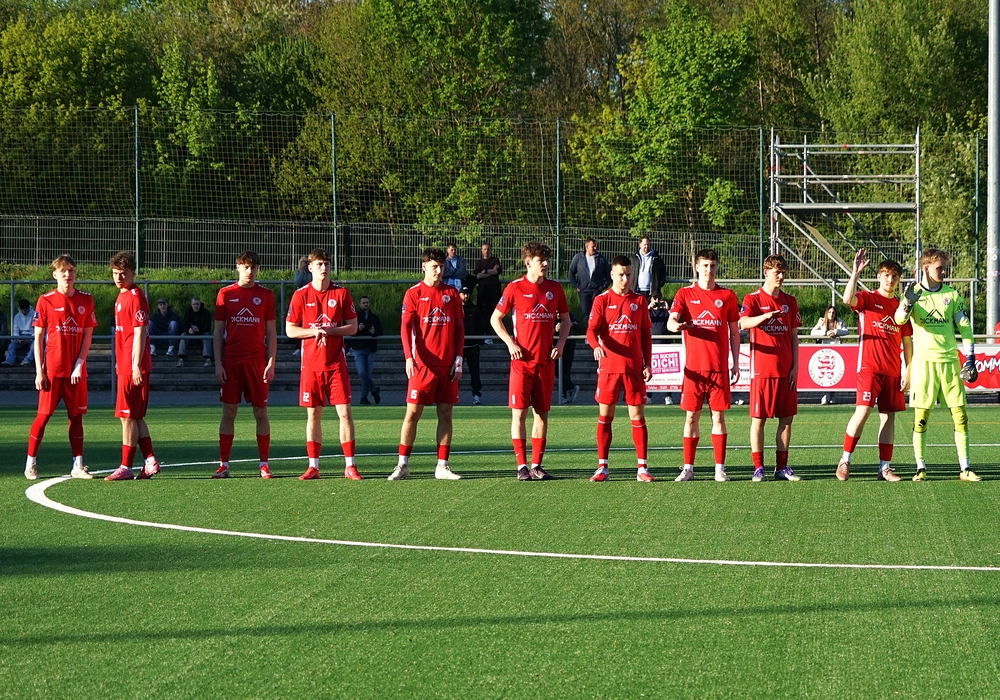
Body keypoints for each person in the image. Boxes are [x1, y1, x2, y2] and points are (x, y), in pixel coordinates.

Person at [894, 247, 980, 481]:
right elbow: (899, 320)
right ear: (926, 268)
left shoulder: (952, 295)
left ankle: (965, 468)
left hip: (950, 363)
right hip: (924, 365)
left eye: (944, 267)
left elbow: (965, 328)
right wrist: (907, 303)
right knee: (921, 418)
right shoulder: (913, 294)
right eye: (939, 268)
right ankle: (920, 468)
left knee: (960, 416)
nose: (944, 271)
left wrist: (970, 358)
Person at [492, 241, 570, 480]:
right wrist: (510, 343)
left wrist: (560, 343)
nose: (545, 264)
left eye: (546, 260)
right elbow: (496, 319)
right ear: (528, 263)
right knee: (519, 414)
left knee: (542, 414)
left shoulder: (555, 289)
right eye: (540, 260)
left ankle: (536, 465)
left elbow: (565, 320)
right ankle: (521, 466)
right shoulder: (514, 288)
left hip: (545, 363)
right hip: (522, 364)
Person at [286, 248, 363, 480]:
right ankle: (313, 466)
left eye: (327, 263)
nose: (324, 267)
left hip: (335, 365)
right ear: (309, 268)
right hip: (310, 365)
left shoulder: (341, 293)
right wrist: (313, 331)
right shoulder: (300, 295)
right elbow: (290, 330)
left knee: (345, 413)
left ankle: (350, 465)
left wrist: (329, 330)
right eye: (319, 264)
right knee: (313, 415)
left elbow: (353, 326)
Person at [836, 249, 912, 482]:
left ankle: (884, 468)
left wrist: (908, 370)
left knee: (888, 418)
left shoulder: (901, 307)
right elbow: (847, 300)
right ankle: (845, 460)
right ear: (879, 276)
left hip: (892, 371)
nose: (890, 280)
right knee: (863, 412)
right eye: (887, 275)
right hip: (869, 368)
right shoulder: (868, 299)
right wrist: (854, 274)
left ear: (898, 280)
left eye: (895, 277)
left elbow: (907, 341)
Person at [391, 247, 465, 480]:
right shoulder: (413, 294)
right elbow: (405, 328)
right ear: (423, 266)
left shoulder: (451, 294)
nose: (438, 271)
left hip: (447, 365)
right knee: (412, 413)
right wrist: (408, 357)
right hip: (422, 366)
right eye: (434, 266)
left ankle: (442, 465)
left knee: (446, 414)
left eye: (441, 267)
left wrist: (459, 358)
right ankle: (402, 464)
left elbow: (460, 330)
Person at [668, 249, 741, 482]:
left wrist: (736, 363)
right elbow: (672, 320)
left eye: (713, 265)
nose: (709, 270)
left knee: (718, 418)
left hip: (718, 369)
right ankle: (688, 467)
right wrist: (676, 326)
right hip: (694, 370)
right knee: (691, 417)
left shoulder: (727, 296)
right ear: (697, 267)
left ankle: (719, 468)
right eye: (705, 265)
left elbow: (734, 332)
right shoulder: (685, 294)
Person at [23, 255, 98, 480]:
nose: (68, 275)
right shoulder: (45, 301)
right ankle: (31, 463)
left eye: (71, 271)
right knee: (43, 416)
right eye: (63, 271)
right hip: (52, 371)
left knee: (76, 418)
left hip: (75, 373)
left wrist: (79, 364)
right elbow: (37, 338)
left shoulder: (86, 300)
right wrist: (39, 370)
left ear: (76, 274)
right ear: (55, 274)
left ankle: (78, 465)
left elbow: (87, 336)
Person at [586, 255, 653, 482]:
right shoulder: (602, 300)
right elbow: (591, 331)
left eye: (628, 274)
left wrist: (648, 363)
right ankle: (602, 467)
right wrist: (596, 346)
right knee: (605, 416)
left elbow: (645, 334)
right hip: (609, 368)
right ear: (612, 275)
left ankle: (642, 468)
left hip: (633, 368)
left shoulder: (639, 301)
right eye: (621, 275)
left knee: (637, 417)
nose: (625, 279)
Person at [212, 252, 277, 479]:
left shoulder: (266, 295)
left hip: (257, 362)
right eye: (246, 266)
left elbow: (271, 332)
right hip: (231, 361)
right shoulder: (225, 294)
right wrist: (218, 363)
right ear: (238, 267)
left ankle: (264, 464)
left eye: (253, 267)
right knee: (229, 411)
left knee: (261, 411)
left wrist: (271, 361)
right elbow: (218, 332)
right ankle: (224, 465)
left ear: (258, 269)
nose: (250, 271)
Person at [739, 254, 801, 482]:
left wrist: (796, 366)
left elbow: (794, 337)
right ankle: (758, 467)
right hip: (762, 371)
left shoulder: (790, 301)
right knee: (759, 420)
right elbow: (743, 323)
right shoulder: (753, 299)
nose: (781, 277)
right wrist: (765, 316)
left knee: (787, 419)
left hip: (786, 371)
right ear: (766, 272)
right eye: (777, 272)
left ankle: (781, 467)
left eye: (783, 272)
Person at [105, 251, 161, 481]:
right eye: (115, 273)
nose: (119, 277)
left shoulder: (136, 297)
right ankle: (149, 461)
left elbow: (140, 333)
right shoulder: (122, 296)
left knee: (127, 417)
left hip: (132, 366)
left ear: (132, 273)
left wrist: (135, 365)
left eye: (123, 273)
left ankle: (126, 467)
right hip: (127, 365)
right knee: (135, 416)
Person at [347, 295, 382, 405]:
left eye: (367, 302)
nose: (366, 304)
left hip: (370, 349)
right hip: (359, 349)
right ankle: (374, 390)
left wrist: (374, 333)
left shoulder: (374, 317)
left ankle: (363, 398)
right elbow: (350, 331)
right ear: (360, 304)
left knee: (367, 374)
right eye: (363, 303)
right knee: (362, 373)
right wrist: (358, 330)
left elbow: (380, 332)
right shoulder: (355, 317)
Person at [810, 305, 849, 404]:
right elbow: (812, 332)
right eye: (829, 312)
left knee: (834, 373)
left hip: (836, 351)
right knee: (825, 374)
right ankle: (825, 396)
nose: (831, 314)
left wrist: (836, 331)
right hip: (824, 352)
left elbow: (846, 331)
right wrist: (824, 332)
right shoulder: (821, 322)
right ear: (826, 313)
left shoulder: (839, 322)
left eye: (833, 313)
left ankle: (832, 396)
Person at [568, 237, 611, 324]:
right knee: (586, 312)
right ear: (586, 247)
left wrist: (602, 287)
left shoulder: (601, 259)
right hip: (583, 290)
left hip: (597, 290)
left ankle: (597, 331)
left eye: (595, 246)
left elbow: (608, 275)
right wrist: (576, 285)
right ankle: (587, 333)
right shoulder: (578, 258)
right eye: (593, 246)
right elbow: (571, 273)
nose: (595, 248)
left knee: (597, 312)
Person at [460, 286, 486, 405]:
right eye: (463, 293)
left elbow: (481, 325)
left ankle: (476, 395)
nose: (465, 296)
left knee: (474, 372)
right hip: (459, 348)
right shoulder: (455, 309)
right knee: (454, 372)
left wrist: (479, 342)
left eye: (467, 293)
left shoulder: (474, 309)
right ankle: (452, 395)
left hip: (472, 346)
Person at [177, 296, 213, 368]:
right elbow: (184, 326)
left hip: (202, 334)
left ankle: (208, 358)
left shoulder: (206, 313)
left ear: (200, 304)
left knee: (207, 335)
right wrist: (188, 330)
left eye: (197, 304)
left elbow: (207, 328)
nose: (196, 306)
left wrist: (199, 330)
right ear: (191, 304)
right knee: (183, 335)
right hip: (190, 335)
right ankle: (181, 358)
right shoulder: (188, 312)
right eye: (194, 304)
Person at [474, 242, 503, 323]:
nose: (486, 251)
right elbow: (478, 276)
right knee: (483, 312)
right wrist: (491, 271)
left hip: (494, 290)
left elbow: (497, 271)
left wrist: (485, 271)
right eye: (485, 249)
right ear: (482, 251)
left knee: (494, 311)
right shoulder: (479, 263)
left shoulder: (495, 260)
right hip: (483, 290)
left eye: (488, 249)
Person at [556, 313, 582, 404]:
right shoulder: (550, 314)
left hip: (568, 347)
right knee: (557, 370)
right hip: (555, 347)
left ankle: (564, 394)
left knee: (566, 370)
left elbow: (579, 328)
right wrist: (556, 329)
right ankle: (570, 387)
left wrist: (570, 325)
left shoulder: (568, 315)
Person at [3, 299, 36, 366]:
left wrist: (30, 338)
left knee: (35, 346)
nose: (24, 312)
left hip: (32, 336)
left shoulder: (35, 315)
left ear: (28, 308)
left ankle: (27, 360)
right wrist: (17, 338)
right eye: (22, 310)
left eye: (25, 310)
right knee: (11, 346)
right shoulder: (17, 316)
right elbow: (15, 329)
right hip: (20, 336)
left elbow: (36, 329)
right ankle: (9, 361)